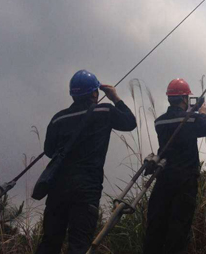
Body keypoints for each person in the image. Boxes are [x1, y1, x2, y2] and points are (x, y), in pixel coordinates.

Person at [36, 69, 137, 254]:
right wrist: (115, 98)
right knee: (79, 245)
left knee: (49, 243)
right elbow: (130, 122)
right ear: (94, 93)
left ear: (73, 94)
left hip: (57, 187)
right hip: (86, 189)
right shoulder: (105, 111)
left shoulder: (58, 118)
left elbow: (49, 151)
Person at [143, 78, 206, 254]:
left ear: (169, 98)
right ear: (184, 98)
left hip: (163, 178)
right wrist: (202, 113)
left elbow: (178, 123)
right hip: (185, 181)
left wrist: (189, 113)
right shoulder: (190, 120)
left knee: (156, 226)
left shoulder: (159, 122)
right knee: (179, 227)